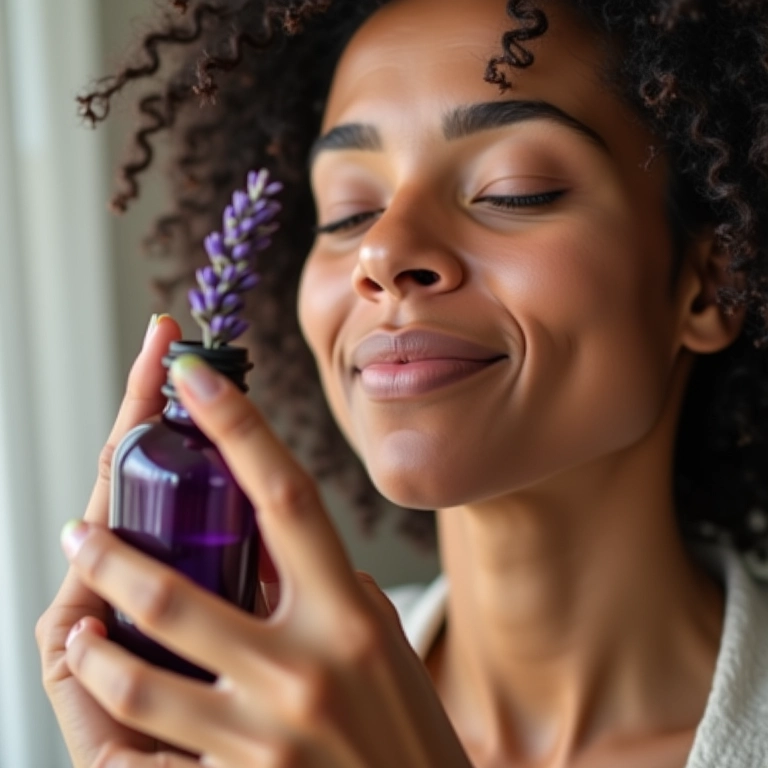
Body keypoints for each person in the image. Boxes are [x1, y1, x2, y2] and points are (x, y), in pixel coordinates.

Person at [36, 0, 768, 765]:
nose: (381, 252)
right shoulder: (236, 731)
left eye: (512, 189)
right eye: (350, 212)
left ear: (708, 285)